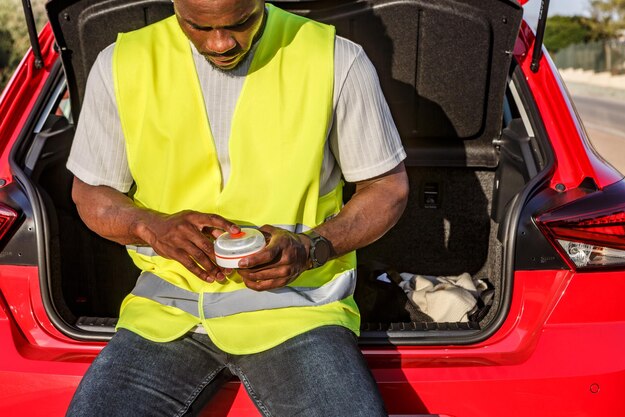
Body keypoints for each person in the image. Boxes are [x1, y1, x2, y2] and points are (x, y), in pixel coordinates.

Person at [65, 0, 408, 415]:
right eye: (197, 26)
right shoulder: (121, 63)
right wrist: (148, 226)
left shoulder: (335, 59)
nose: (221, 43)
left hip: (298, 311)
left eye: (240, 22)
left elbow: (387, 189)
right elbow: (90, 194)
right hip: (165, 313)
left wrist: (309, 247)